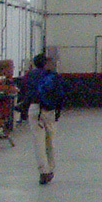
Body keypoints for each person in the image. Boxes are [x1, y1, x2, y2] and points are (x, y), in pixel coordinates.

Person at [18, 54, 61, 185]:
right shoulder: (52, 75)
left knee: (38, 141)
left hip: (34, 108)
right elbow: (60, 93)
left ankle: (44, 171)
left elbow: (25, 91)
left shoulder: (30, 75)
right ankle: (51, 168)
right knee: (50, 140)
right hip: (49, 110)